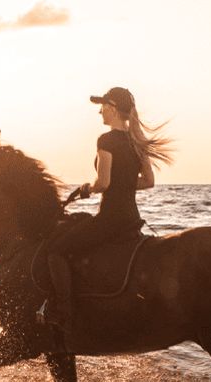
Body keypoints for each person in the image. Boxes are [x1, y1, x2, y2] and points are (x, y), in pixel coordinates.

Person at [46, 86, 173, 328]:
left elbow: (103, 183)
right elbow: (148, 181)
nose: (100, 112)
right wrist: (123, 184)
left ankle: (64, 311)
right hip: (132, 218)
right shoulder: (137, 142)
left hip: (111, 219)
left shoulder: (105, 140)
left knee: (56, 250)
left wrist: (87, 188)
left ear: (113, 109)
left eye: (103, 107)